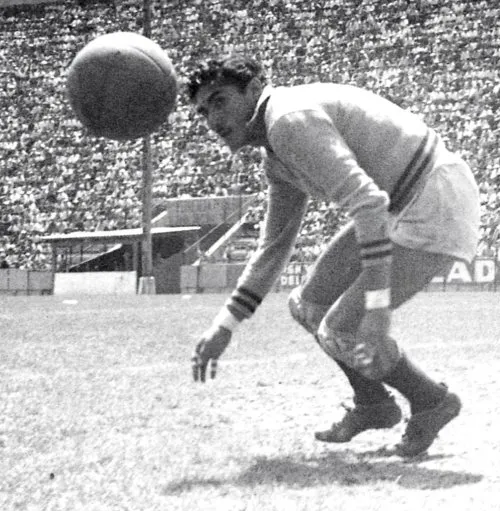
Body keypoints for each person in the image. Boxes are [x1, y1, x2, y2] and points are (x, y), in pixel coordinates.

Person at [186, 55, 480, 458]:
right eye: (203, 111)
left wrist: (377, 306)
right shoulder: (276, 153)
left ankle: (431, 401)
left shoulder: (287, 121)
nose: (212, 120)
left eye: (219, 101)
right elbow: (273, 249)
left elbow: (368, 203)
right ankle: (373, 404)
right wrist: (225, 325)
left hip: (434, 198)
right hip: (402, 201)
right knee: (308, 305)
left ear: (254, 90)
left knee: (344, 330)